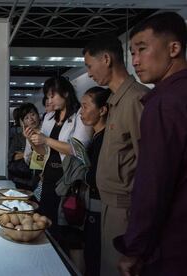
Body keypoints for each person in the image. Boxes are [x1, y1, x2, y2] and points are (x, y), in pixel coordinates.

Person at [114, 12, 187, 276]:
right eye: (132, 52)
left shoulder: (163, 103)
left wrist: (135, 248)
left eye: (142, 50)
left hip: (172, 245)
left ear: (174, 48)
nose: (135, 61)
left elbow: (153, 181)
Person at [83, 36, 149, 275]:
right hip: (108, 205)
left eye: (90, 66)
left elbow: (149, 167)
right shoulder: (116, 102)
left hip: (125, 210)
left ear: (107, 59)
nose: (89, 73)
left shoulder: (134, 100)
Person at [24, 76, 92, 269]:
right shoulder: (48, 118)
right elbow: (42, 153)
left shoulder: (79, 115)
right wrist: (32, 140)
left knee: (72, 236)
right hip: (49, 180)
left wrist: (45, 139)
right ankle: (49, 269)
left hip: (70, 181)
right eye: (47, 96)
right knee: (48, 228)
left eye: (53, 96)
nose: (49, 100)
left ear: (67, 93)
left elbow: (76, 149)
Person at [80, 86, 111, 276]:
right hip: (91, 205)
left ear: (102, 110)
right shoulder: (96, 137)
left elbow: (95, 176)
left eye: (85, 107)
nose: (81, 112)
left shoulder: (105, 139)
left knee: (95, 256)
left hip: (99, 207)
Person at [8, 103, 42, 191]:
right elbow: (14, 156)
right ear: (23, 122)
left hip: (44, 177)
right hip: (26, 178)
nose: (31, 119)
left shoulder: (46, 132)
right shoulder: (24, 136)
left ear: (38, 115)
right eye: (26, 118)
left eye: (33, 115)